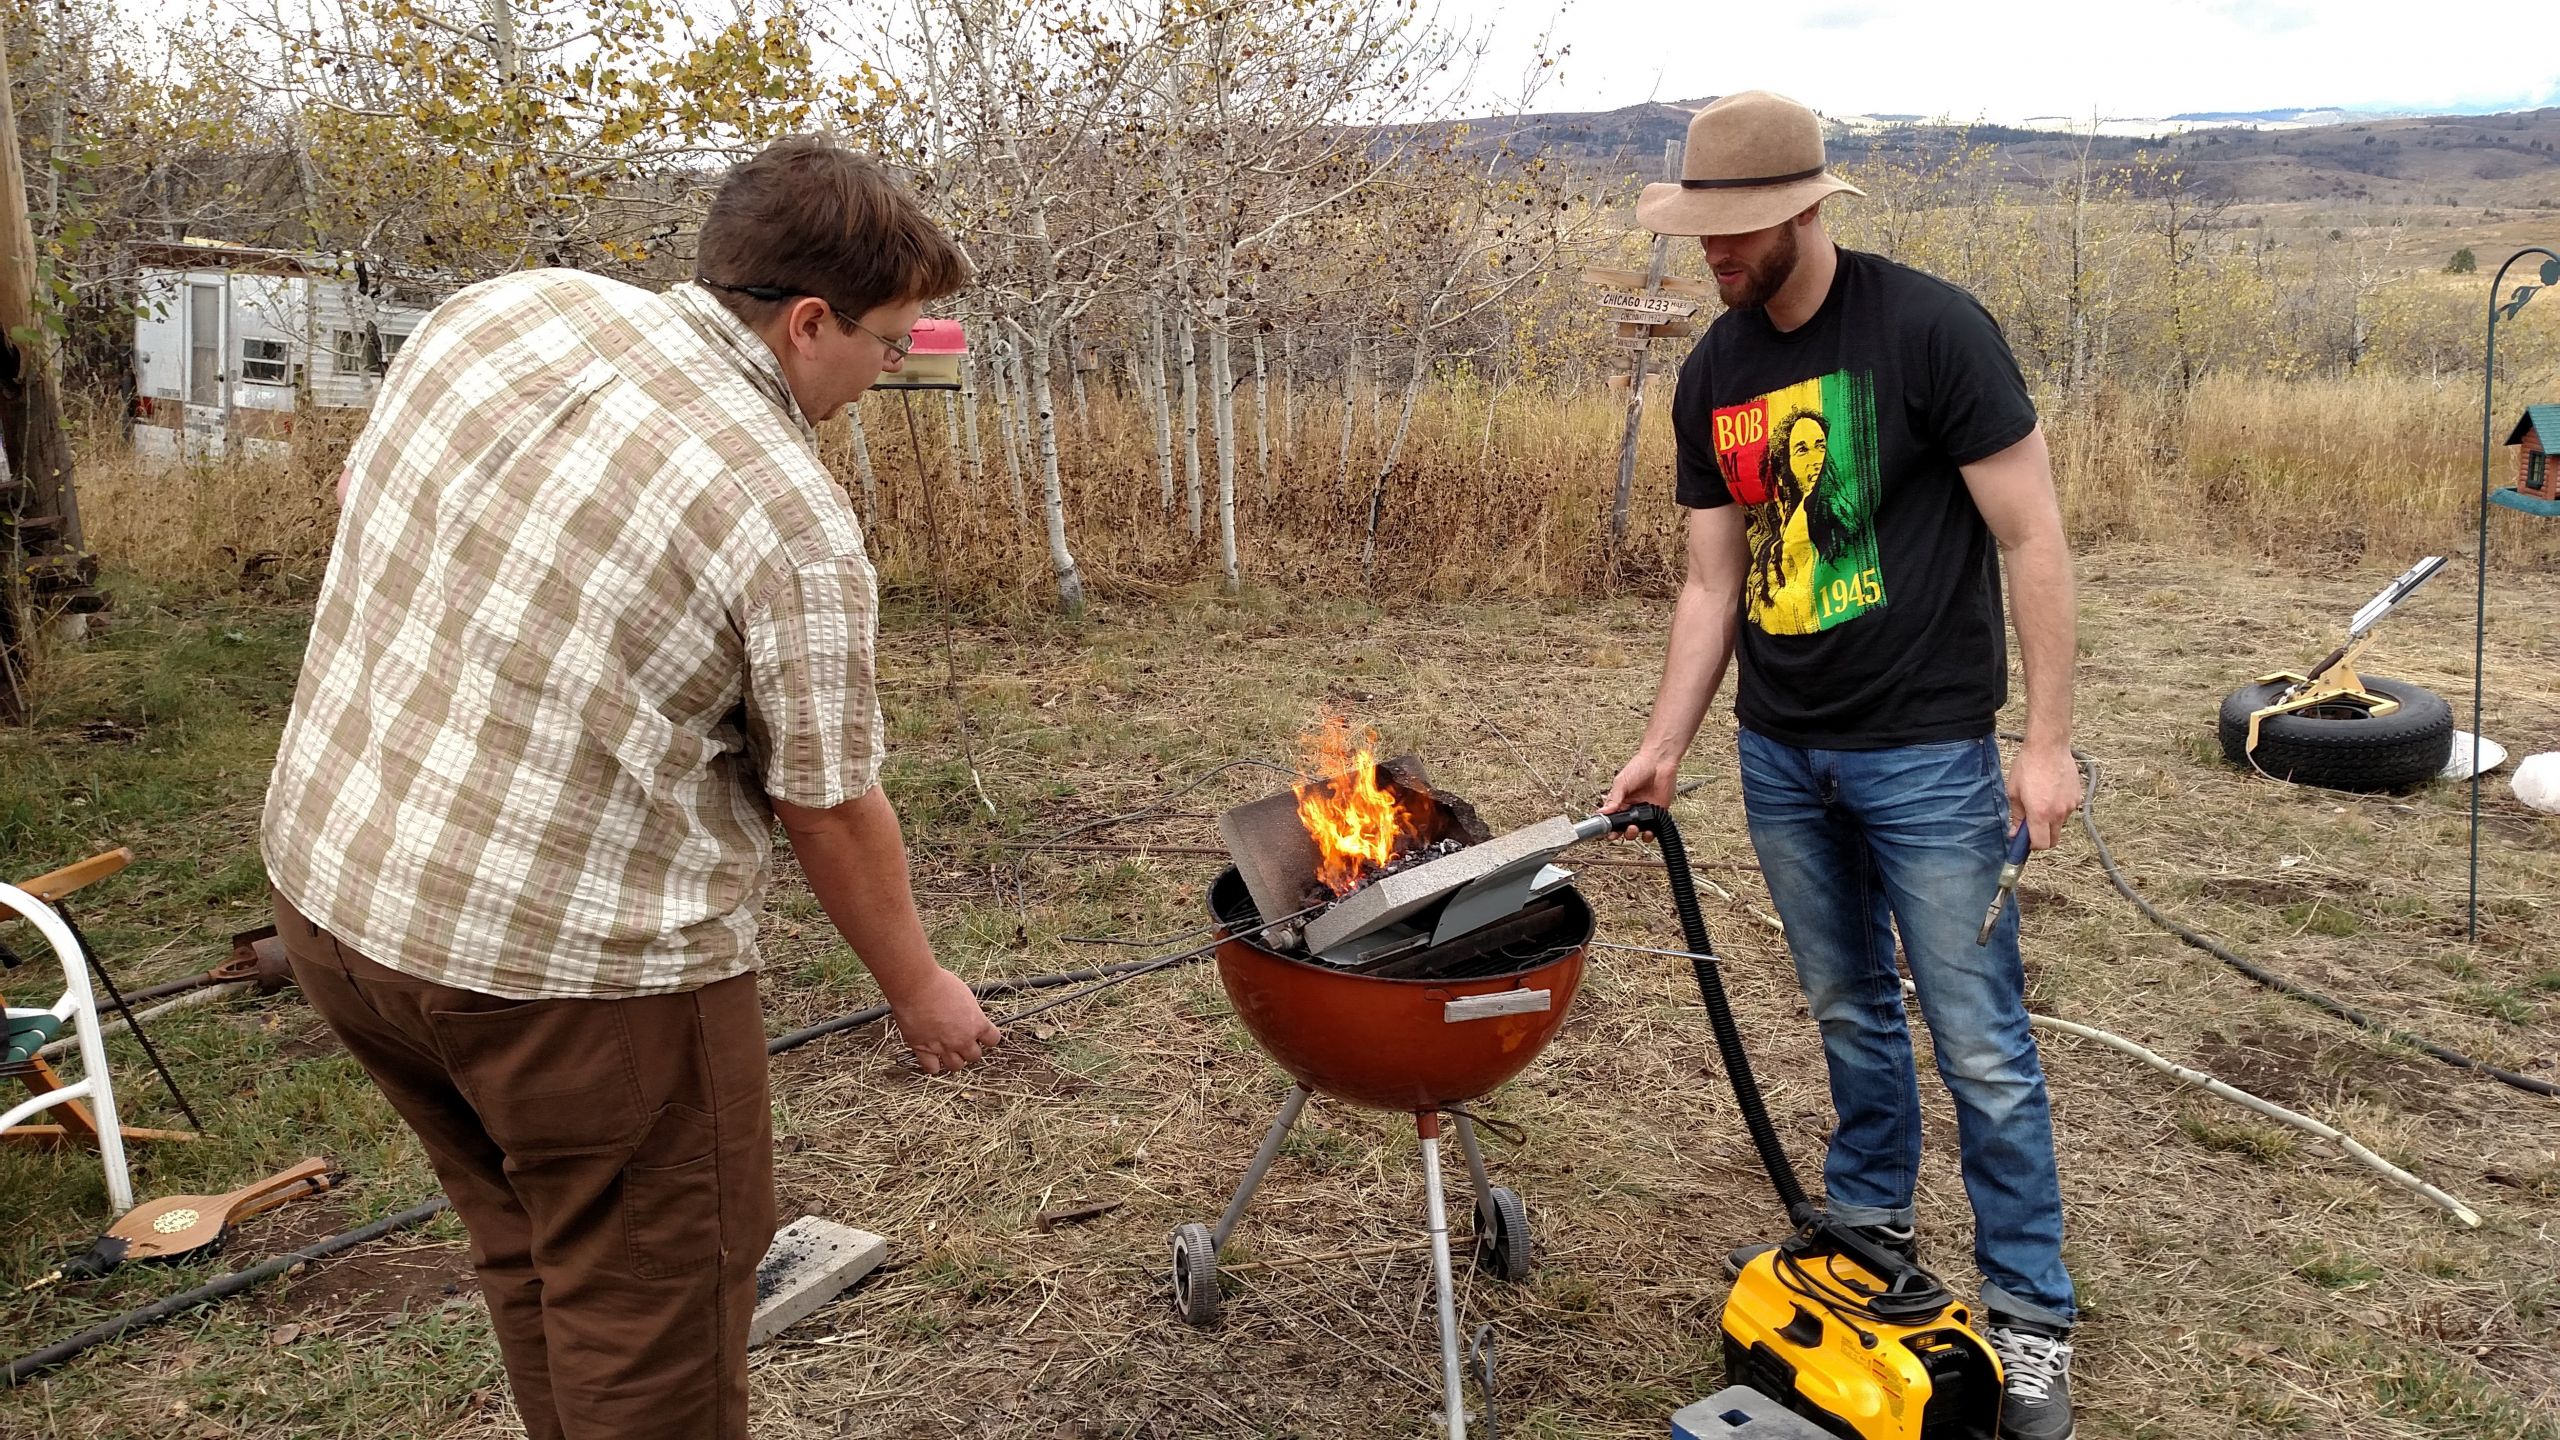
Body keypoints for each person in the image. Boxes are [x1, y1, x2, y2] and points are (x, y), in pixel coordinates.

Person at [260, 136, 1001, 1440]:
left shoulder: (507, 310)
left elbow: (358, 486)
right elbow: (826, 806)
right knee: (647, 1320)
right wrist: (921, 990)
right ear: (807, 322)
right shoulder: (788, 516)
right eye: (890, 343)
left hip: (337, 910)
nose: (894, 370)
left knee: (531, 1244)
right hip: (572, 994)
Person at [1602, 91, 2082, 1440]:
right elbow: (1713, 584)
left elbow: (2032, 538)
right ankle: (1868, 1231)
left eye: (1736, 228)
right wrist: (1662, 747)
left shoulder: (1931, 331)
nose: (1715, 252)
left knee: (1979, 1042)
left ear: (1805, 210)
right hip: (1781, 754)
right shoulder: (1715, 371)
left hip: (1928, 752)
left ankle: (2032, 1316)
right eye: (1699, 229)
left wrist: (2042, 745)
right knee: (1846, 1010)